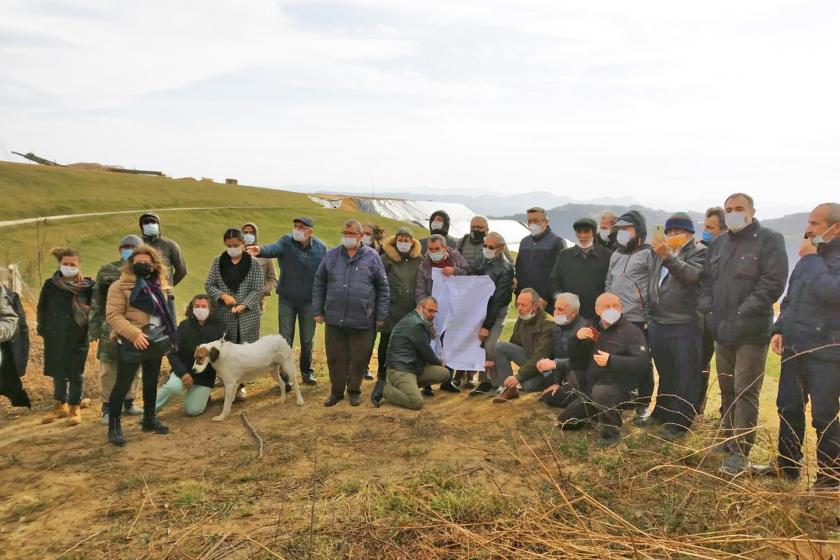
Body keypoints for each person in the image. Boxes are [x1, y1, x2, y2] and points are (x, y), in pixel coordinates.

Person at [699, 192, 788, 476]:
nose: (733, 213)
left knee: (745, 392)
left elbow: (772, 283)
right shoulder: (720, 243)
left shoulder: (769, 240)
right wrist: (707, 311)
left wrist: (742, 313)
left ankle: (740, 453)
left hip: (750, 331)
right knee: (726, 388)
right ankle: (727, 440)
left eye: (739, 208)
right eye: (728, 209)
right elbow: (706, 281)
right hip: (721, 330)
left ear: (752, 211)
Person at [754, 203, 840, 491]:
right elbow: (791, 296)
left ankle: (829, 477)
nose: (809, 229)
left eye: (815, 224)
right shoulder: (808, 258)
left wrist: (813, 258)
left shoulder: (814, 257)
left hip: (828, 351)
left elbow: (832, 293)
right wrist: (779, 328)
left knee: (824, 416)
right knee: (788, 408)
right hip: (795, 346)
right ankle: (787, 466)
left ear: (835, 227)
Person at [312, 220, 389, 407]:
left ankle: (354, 390)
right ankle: (336, 391)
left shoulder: (372, 257)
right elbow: (319, 283)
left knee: (359, 357)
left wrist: (380, 315)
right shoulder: (331, 255)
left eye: (351, 233)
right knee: (335, 357)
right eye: (344, 232)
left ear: (361, 236)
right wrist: (317, 310)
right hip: (335, 317)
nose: (347, 236)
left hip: (363, 319)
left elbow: (383, 287)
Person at [106, 245, 177, 446]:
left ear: (154, 265)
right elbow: (113, 316)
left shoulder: (161, 285)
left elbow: (166, 313)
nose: (142, 266)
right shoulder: (119, 287)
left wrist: (170, 334)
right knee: (122, 385)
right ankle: (114, 427)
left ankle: (149, 418)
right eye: (138, 263)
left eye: (146, 263)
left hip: (156, 339)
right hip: (132, 341)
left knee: (151, 381)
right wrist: (134, 334)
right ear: (131, 264)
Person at [557, 293, 650, 446]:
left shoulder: (632, 332)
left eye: (616, 306)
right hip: (592, 384)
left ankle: (611, 431)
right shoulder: (590, 327)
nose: (612, 309)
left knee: (602, 392)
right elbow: (575, 358)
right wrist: (576, 339)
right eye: (607, 306)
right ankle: (597, 409)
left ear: (621, 308)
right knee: (566, 422)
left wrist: (611, 361)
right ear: (597, 310)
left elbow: (642, 362)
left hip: (619, 386)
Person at [646, 212, 706, 439]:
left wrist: (668, 257)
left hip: (685, 323)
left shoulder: (699, 252)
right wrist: (649, 316)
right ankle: (662, 412)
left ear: (689, 233)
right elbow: (652, 283)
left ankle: (681, 422)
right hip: (659, 323)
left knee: (686, 375)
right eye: (669, 232)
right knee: (666, 372)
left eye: (678, 232)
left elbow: (692, 276)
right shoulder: (658, 253)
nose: (673, 235)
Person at [246, 217, 325, 385]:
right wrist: (259, 249)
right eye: (295, 226)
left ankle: (306, 372)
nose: (296, 229)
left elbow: (324, 275)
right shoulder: (286, 241)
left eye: (301, 227)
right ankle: (286, 375)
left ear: (309, 231)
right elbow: (273, 249)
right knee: (285, 338)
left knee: (307, 339)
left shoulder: (320, 248)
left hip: (309, 302)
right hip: (287, 300)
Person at [604, 210, 655, 422]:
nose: (622, 233)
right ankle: (623, 399)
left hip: (638, 317)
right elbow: (608, 282)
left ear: (639, 231)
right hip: (615, 318)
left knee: (641, 362)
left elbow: (654, 286)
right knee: (617, 360)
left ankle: (643, 405)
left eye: (627, 229)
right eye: (620, 230)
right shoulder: (616, 254)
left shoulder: (648, 253)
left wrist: (649, 316)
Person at [88, 235, 144, 425]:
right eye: (125, 246)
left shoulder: (144, 270)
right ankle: (108, 407)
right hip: (109, 326)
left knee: (134, 365)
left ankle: (129, 401)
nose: (128, 249)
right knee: (109, 367)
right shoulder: (107, 270)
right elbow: (96, 300)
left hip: (136, 326)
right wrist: (93, 328)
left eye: (132, 246)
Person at [205, 228, 265, 401]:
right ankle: (225, 381)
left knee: (244, 350)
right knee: (226, 350)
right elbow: (209, 285)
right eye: (228, 245)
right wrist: (222, 296)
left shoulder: (253, 263)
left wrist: (244, 304)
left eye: (235, 245)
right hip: (225, 314)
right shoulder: (218, 262)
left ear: (243, 243)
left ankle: (241, 386)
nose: (232, 248)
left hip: (248, 315)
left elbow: (258, 288)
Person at [37, 247, 94, 426]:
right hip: (55, 336)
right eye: (65, 264)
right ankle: (60, 405)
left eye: (72, 264)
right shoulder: (50, 284)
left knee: (75, 373)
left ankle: (74, 406)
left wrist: (90, 327)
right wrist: (43, 329)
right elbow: (42, 308)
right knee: (58, 372)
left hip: (78, 336)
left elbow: (95, 310)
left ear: (78, 266)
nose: (68, 267)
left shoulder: (86, 287)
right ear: (60, 264)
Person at [371, 228, 423, 406]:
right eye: (400, 239)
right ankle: (382, 375)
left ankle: (411, 376)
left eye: (406, 239)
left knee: (411, 343)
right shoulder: (385, 259)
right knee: (386, 342)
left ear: (412, 242)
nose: (403, 242)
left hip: (410, 309)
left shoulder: (419, 261)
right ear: (395, 241)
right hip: (391, 308)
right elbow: (378, 282)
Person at [155, 294, 226, 416]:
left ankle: (203, 396)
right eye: (197, 306)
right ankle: (150, 410)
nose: (200, 309)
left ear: (210, 308)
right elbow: (172, 353)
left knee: (193, 411)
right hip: (183, 371)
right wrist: (183, 373)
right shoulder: (184, 326)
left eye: (203, 306)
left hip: (204, 377)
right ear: (192, 308)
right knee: (173, 388)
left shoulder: (220, 326)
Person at [380, 297, 450, 410]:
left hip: (412, 367)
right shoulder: (416, 324)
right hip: (400, 369)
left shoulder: (416, 320)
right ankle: (384, 389)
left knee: (444, 373)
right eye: (429, 310)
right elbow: (426, 351)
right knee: (416, 403)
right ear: (419, 308)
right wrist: (438, 362)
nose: (432, 314)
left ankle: (405, 387)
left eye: (434, 311)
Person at [469, 232, 515, 396]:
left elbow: (498, 300)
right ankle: (484, 381)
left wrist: (486, 326)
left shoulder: (506, 268)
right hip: (480, 307)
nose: (486, 249)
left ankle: (498, 382)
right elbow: (471, 274)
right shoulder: (482, 258)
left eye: (491, 247)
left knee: (490, 345)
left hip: (497, 311)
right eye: (485, 246)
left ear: (501, 248)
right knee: (480, 345)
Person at [492, 288, 555, 402]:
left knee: (528, 385)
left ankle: (549, 385)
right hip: (530, 359)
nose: (519, 308)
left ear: (535, 306)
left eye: (523, 305)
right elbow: (513, 344)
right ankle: (509, 390)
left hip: (545, 368)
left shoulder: (548, 324)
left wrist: (519, 377)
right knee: (501, 346)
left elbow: (540, 357)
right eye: (518, 304)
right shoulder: (522, 318)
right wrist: (495, 362)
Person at [550, 218, 612, 319]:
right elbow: (554, 280)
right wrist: (559, 300)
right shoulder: (564, 255)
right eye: (579, 232)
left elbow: (611, 282)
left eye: (586, 231)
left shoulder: (607, 256)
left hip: (597, 314)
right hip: (569, 313)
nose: (582, 236)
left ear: (594, 233)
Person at [535, 292, 589, 408]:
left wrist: (555, 364)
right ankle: (556, 387)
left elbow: (582, 363)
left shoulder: (585, 330)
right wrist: (556, 382)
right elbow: (558, 354)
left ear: (573, 312)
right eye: (555, 308)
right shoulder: (557, 329)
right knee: (541, 362)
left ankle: (577, 397)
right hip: (562, 372)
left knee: (551, 397)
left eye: (560, 309)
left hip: (579, 374)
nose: (556, 312)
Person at [698, 206, 727, 413]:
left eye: (710, 227)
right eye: (705, 226)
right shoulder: (703, 250)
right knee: (700, 364)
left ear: (723, 229)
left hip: (726, 319)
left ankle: (728, 415)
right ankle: (696, 407)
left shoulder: (730, 253)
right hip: (704, 317)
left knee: (729, 371)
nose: (706, 231)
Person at [515, 207, 567, 305]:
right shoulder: (524, 242)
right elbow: (519, 270)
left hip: (546, 302)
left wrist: (546, 298)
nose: (532, 223)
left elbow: (560, 274)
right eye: (529, 221)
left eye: (536, 220)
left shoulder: (557, 242)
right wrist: (519, 295)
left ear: (546, 221)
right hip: (526, 301)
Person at [138, 212, 187, 287]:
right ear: (142, 227)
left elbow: (182, 271)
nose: (150, 224)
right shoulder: (137, 245)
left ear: (158, 225)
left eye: (153, 222)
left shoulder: (170, 245)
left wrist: (168, 286)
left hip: (164, 292)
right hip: (141, 291)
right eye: (146, 222)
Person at [242, 223, 278, 312]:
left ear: (256, 235)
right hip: (236, 302)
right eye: (245, 233)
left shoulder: (265, 256)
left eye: (251, 233)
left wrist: (260, 292)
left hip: (256, 304)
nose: (248, 235)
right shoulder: (234, 254)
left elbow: (272, 280)